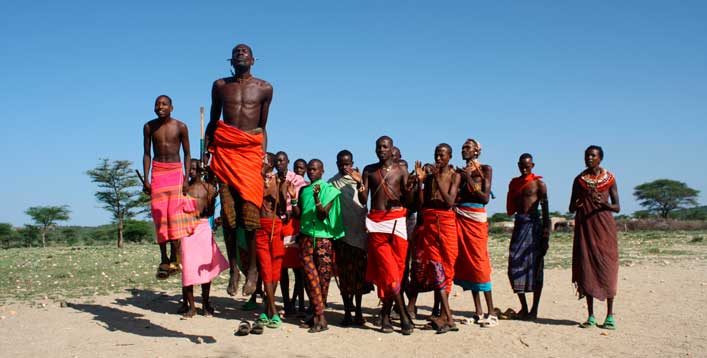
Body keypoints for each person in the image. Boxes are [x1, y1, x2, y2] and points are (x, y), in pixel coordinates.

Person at [204, 43, 273, 297]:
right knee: (230, 219)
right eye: (236, 52)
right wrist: (205, 155)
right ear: (231, 61)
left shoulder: (265, 88)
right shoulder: (220, 86)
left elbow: (262, 127)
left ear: (253, 59)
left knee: (251, 217)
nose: (241, 54)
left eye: (245, 52)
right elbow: (213, 121)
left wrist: (263, 157)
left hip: (250, 153)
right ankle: (234, 269)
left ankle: (252, 270)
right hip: (225, 154)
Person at [357, 136, 414, 335]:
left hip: (398, 222)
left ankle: (386, 314)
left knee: (396, 272)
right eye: (378, 147)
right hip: (376, 224)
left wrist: (415, 185)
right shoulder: (369, 170)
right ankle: (405, 316)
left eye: (385, 147)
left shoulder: (401, 170)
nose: (381, 150)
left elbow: (410, 200)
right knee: (389, 270)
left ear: (392, 150)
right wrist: (360, 186)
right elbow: (364, 200)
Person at [408, 144, 461, 333]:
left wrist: (437, 180)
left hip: (447, 224)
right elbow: (422, 204)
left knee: (447, 268)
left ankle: (446, 316)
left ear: (450, 157)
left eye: (442, 155)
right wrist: (422, 183)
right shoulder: (429, 178)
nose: (438, 158)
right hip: (430, 225)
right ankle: (448, 317)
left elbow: (449, 201)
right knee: (437, 268)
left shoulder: (455, 176)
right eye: (436, 155)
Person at [569, 145, 620, 330]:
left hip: (605, 227)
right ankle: (590, 316)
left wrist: (603, 204)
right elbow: (571, 207)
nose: (589, 158)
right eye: (586, 155)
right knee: (587, 268)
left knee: (608, 268)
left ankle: (609, 316)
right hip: (585, 228)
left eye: (593, 155)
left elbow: (617, 207)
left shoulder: (610, 179)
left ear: (600, 158)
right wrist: (579, 203)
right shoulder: (579, 180)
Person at [142, 95, 193, 279]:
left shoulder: (180, 126)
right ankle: (163, 258)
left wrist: (186, 179)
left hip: (175, 172)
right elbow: (147, 154)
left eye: (164, 104)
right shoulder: (149, 127)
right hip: (158, 171)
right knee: (159, 215)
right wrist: (147, 178)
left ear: (172, 107)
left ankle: (174, 258)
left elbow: (187, 154)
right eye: (157, 104)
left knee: (174, 216)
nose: (160, 106)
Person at [293, 159, 345, 333]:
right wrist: (293, 201)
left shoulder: (329, 190)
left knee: (322, 279)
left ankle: (317, 316)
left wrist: (317, 198)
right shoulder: (303, 190)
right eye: (309, 170)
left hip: (323, 239)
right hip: (306, 238)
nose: (311, 172)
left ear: (322, 171)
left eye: (315, 169)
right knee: (310, 278)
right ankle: (320, 316)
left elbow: (323, 215)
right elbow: (298, 215)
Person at [453, 139, 497, 327]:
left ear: (477, 151)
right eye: (462, 148)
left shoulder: (485, 169)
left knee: (480, 262)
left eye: (467, 148)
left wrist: (468, 178)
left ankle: (491, 312)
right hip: (461, 217)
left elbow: (484, 197)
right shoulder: (459, 173)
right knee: (468, 264)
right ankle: (478, 312)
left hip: (476, 218)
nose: (464, 150)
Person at [178, 161, 229, 318]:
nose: (191, 172)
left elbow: (211, 211)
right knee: (187, 269)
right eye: (189, 169)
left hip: (203, 228)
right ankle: (191, 307)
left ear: (200, 170)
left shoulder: (209, 188)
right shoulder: (183, 189)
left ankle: (206, 304)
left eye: (194, 169)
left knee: (205, 268)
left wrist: (211, 197)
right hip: (186, 229)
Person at [328, 150, 373, 326]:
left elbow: (363, 201)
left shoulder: (359, 178)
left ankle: (359, 312)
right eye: (341, 164)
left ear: (352, 163)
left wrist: (360, 182)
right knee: (345, 276)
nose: (344, 167)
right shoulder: (332, 183)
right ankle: (347, 312)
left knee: (359, 276)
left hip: (359, 234)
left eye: (347, 164)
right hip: (341, 235)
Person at [253, 153, 295, 329]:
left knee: (276, 269)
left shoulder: (280, 181)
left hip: (276, 226)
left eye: (265, 161)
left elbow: (286, 207)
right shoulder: (256, 180)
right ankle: (273, 311)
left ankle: (267, 310)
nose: (263, 163)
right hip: (261, 227)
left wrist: (290, 194)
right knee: (265, 269)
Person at [506, 153, 549, 320]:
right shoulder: (515, 184)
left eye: (527, 166)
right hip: (519, 225)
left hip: (534, 227)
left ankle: (534, 310)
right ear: (518, 165)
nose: (524, 168)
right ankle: (523, 307)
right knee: (514, 267)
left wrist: (546, 237)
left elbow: (545, 211)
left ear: (533, 165)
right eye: (521, 166)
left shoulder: (540, 184)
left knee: (537, 268)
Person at [275, 151, 308, 315]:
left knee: (297, 267)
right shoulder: (272, 180)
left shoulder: (297, 179)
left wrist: (290, 211)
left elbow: (301, 203)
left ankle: (301, 304)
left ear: (288, 161)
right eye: (277, 161)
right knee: (281, 267)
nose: (279, 163)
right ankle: (287, 303)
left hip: (294, 225)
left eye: (282, 160)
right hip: (278, 225)